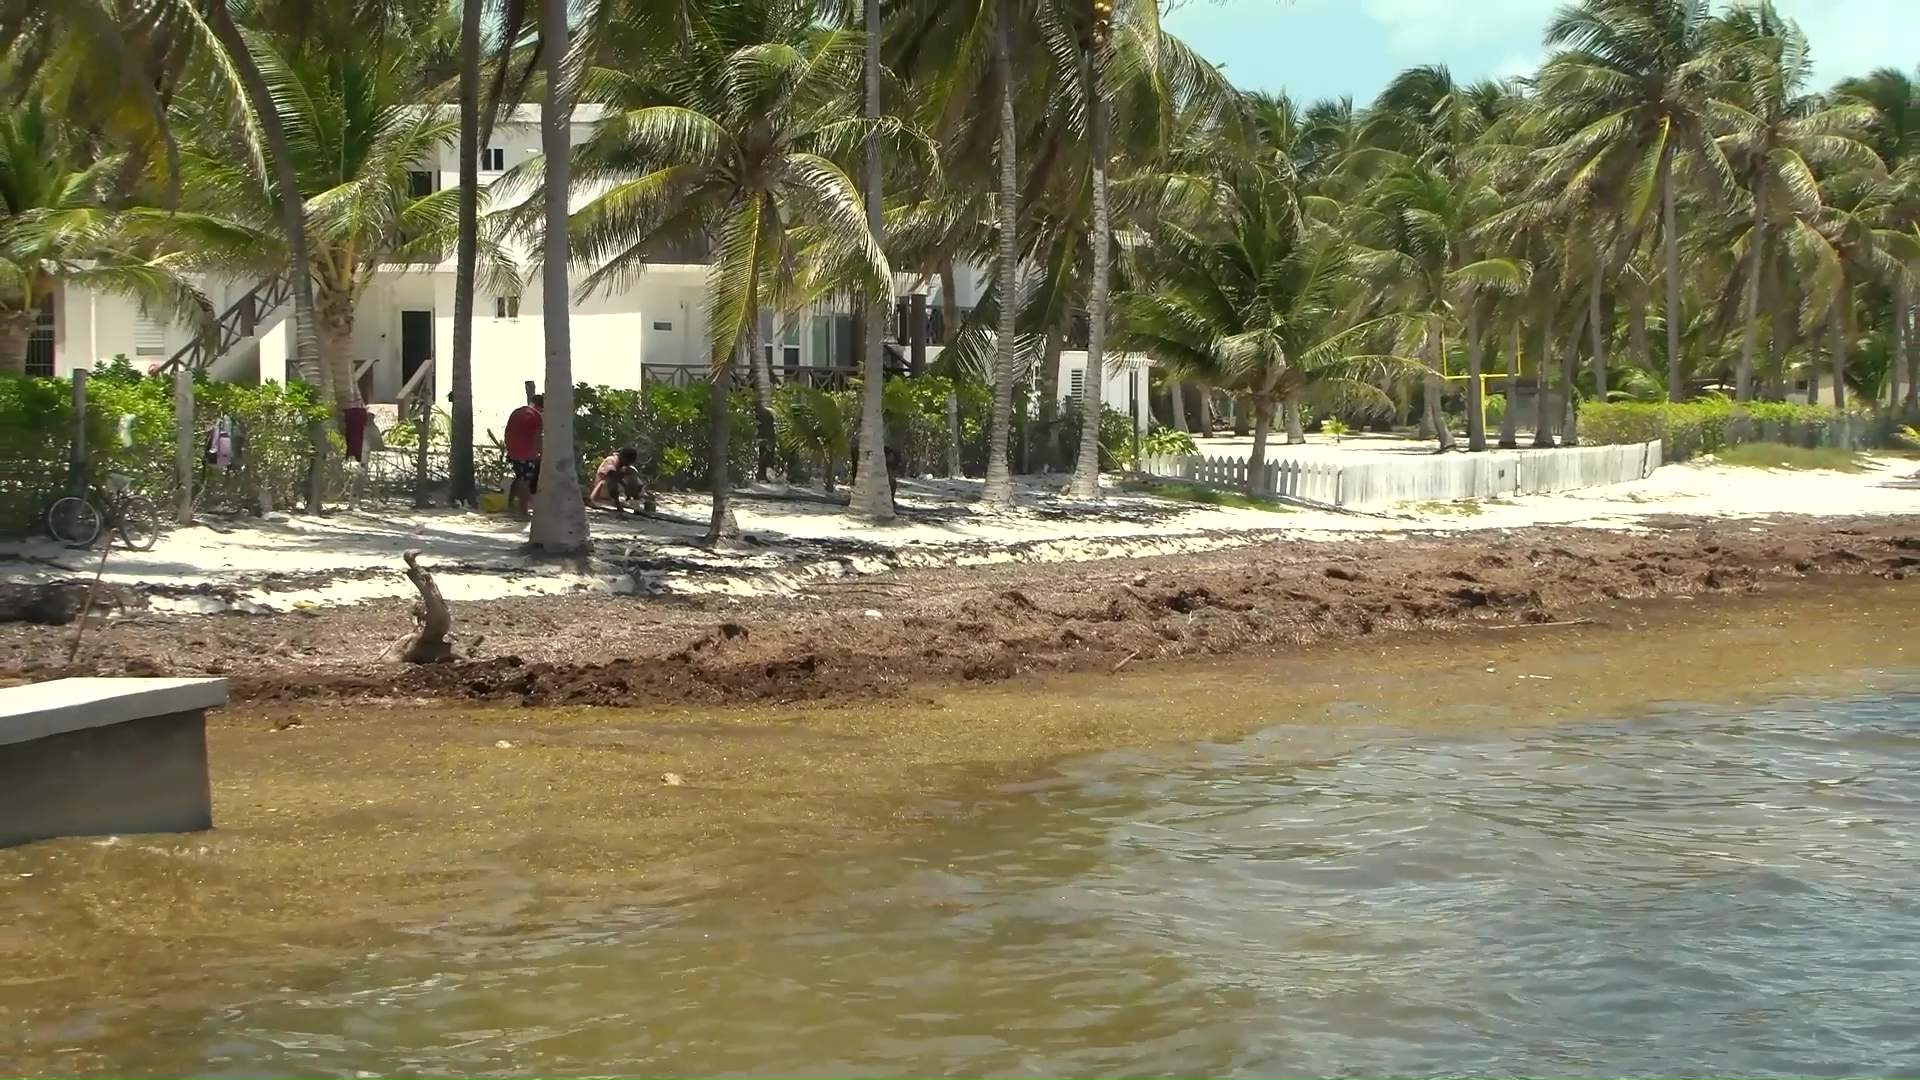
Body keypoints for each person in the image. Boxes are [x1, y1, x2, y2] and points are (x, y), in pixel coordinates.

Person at [503, 394, 543, 517]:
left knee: (519, 477)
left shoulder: (517, 412)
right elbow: (537, 437)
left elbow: (507, 430)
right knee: (526, 480)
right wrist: (538, 452)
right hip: (526, 453)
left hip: (513, 451)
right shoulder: (536, 417)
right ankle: (523, 511)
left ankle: (510, 506)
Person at [588, 447, 643, 511]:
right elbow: (612, 478)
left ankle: (634, 504)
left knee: (633, 475)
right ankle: (594, 500)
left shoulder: (625, 466)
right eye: (628, 462)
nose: (628, 464)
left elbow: (638, 484)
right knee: (611, 480)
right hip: (603, 490)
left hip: (615, 494)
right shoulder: (611, 460)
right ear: (624, 458)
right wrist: (618, 505)